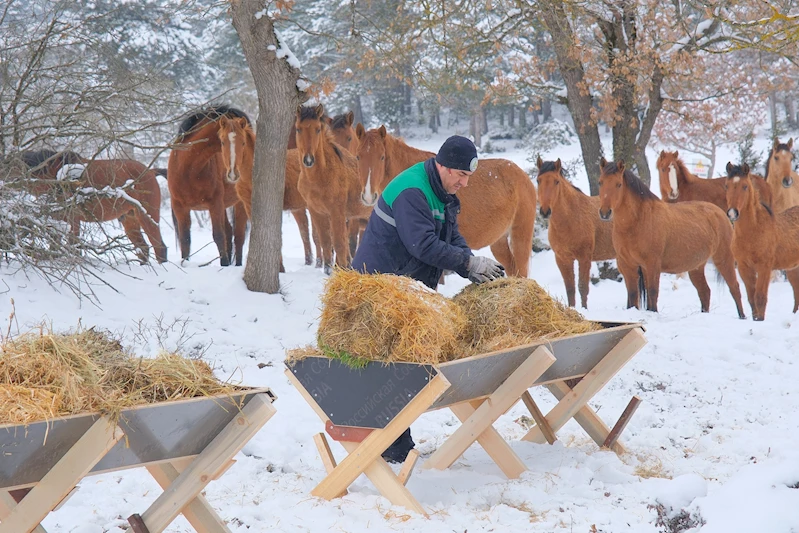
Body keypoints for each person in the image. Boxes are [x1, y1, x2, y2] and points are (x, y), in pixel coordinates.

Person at [352, 134, 505, 463]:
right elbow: (422, 245)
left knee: (407, 365)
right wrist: (467, 263)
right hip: (379, 286)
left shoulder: (443, 192)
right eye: (461, 176)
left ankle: (396, 446)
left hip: (406, 287)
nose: (465, 183)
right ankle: (391, 448)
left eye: (468, 177)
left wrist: (472, 265)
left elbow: (450, 235)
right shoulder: (414, 191)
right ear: (444, 167)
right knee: (395, 366)